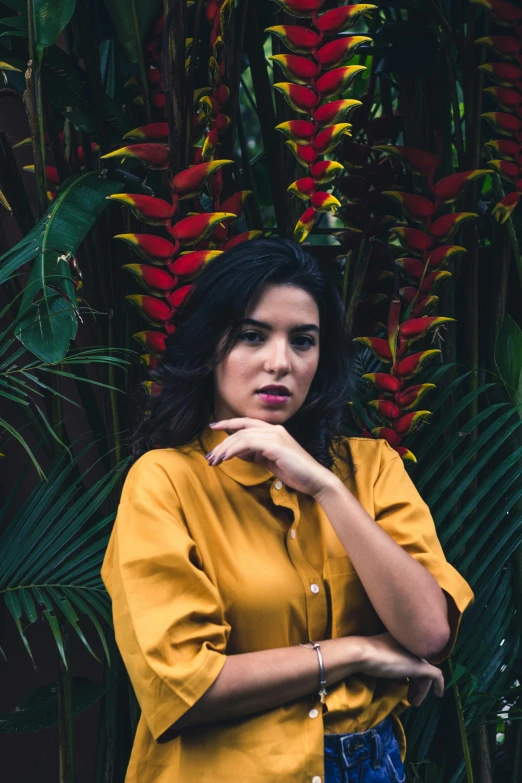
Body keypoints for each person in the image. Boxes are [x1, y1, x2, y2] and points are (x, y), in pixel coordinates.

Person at [101, 237, 474, 783]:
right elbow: (185, 685)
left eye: (303, 341)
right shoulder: (165, 483)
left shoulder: (369, 468)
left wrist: (326, 488)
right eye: (253, 336)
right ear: (210, 346)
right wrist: (355, 653)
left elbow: (429, 635)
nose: (280, 363)